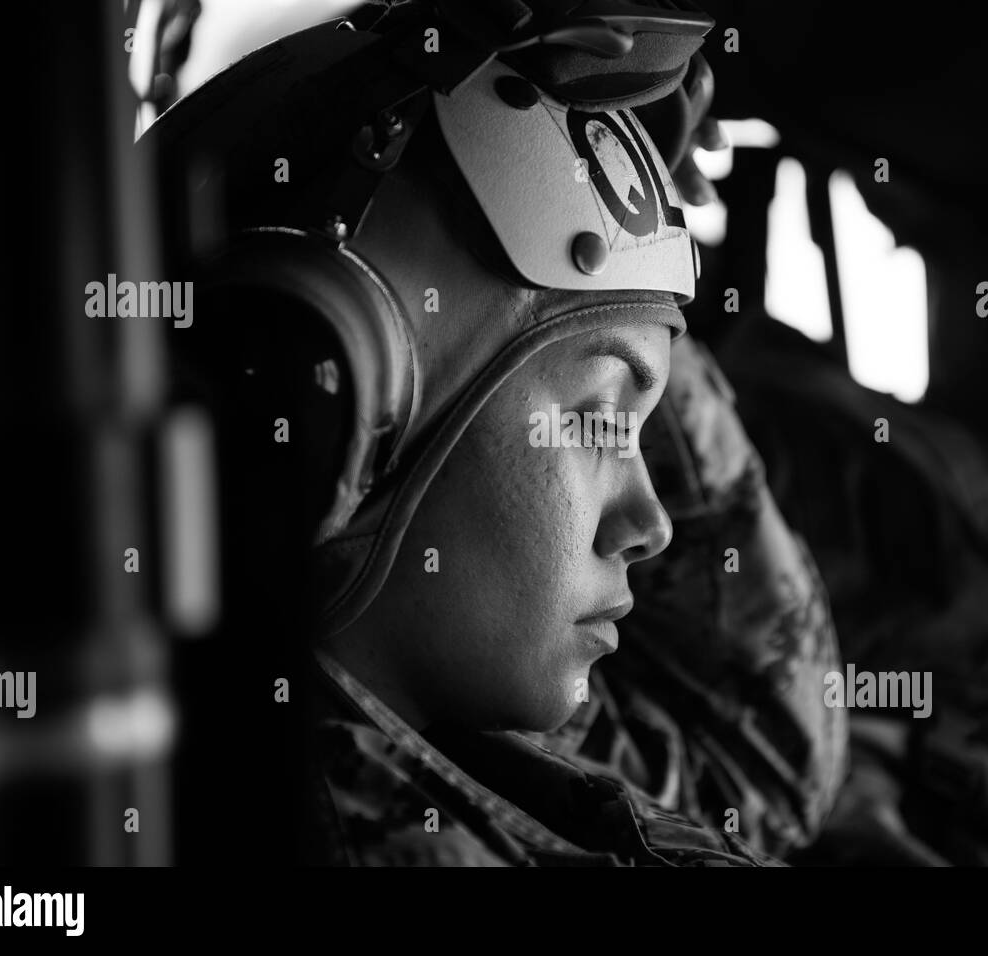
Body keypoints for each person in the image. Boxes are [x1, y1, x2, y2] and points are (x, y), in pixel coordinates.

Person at [152, 3, 789, 865]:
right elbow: (765, 769)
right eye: (604, 419)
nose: (652, 524)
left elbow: (746, 782)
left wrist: (626, 247)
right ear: (334, 410)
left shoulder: (437, 739)